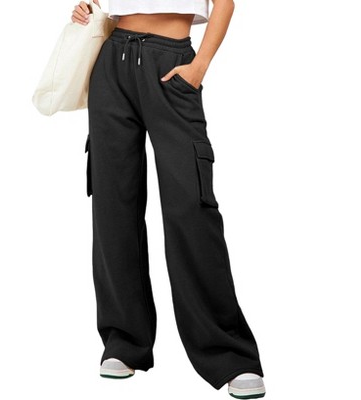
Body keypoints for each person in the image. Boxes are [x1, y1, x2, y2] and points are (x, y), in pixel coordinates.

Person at [71, 0, 266, 398]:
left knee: (191, 208)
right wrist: (86, 9)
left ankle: (230, 355)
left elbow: (225, 3)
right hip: (112, 60)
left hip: (172, 64)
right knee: (113, 206)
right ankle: (124, 342)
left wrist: (199, 67)